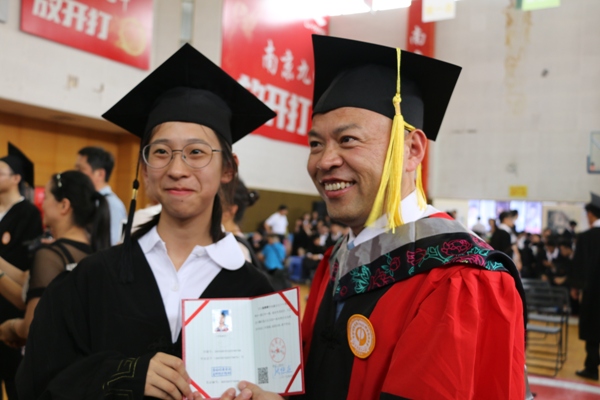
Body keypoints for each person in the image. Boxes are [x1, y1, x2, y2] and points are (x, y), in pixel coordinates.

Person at [221, 35, 526, 400]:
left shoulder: (458, 277)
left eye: (348, 139)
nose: (324, 160)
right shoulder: (338, 260)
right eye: (315, 144)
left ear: (412, 150)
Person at [16, 43, 276, 399]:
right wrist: (124, 374)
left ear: (228, 168)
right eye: (162, 152)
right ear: (144, 169)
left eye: (196, 152)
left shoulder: (258, 295)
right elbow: (38, 381)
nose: (177, 169)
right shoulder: (91, 279)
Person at [0, 170, 110, 347]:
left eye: (46, 197)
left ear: (64, 205)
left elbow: (32, 327)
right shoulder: (95, 251)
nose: (42, 204)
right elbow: (27, 281)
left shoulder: (51, 256)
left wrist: (11, 327)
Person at [0, 143, 43, 399]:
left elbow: (28, 266)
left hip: (12, 303)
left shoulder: (28, 213)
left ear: (16, 178)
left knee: (13, 377)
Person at [570, 192, 600, 380]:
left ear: (590, 214)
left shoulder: (586, 237)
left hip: (593, 291)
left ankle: (591, 367)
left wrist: (575, 287)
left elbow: (579, 265)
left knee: (593, 328)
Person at [76, 146, 127, 245]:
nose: (76, 174)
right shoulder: (88, 200)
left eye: (80, 170)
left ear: (100, 174)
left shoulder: (113, 206)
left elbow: (113, 246)